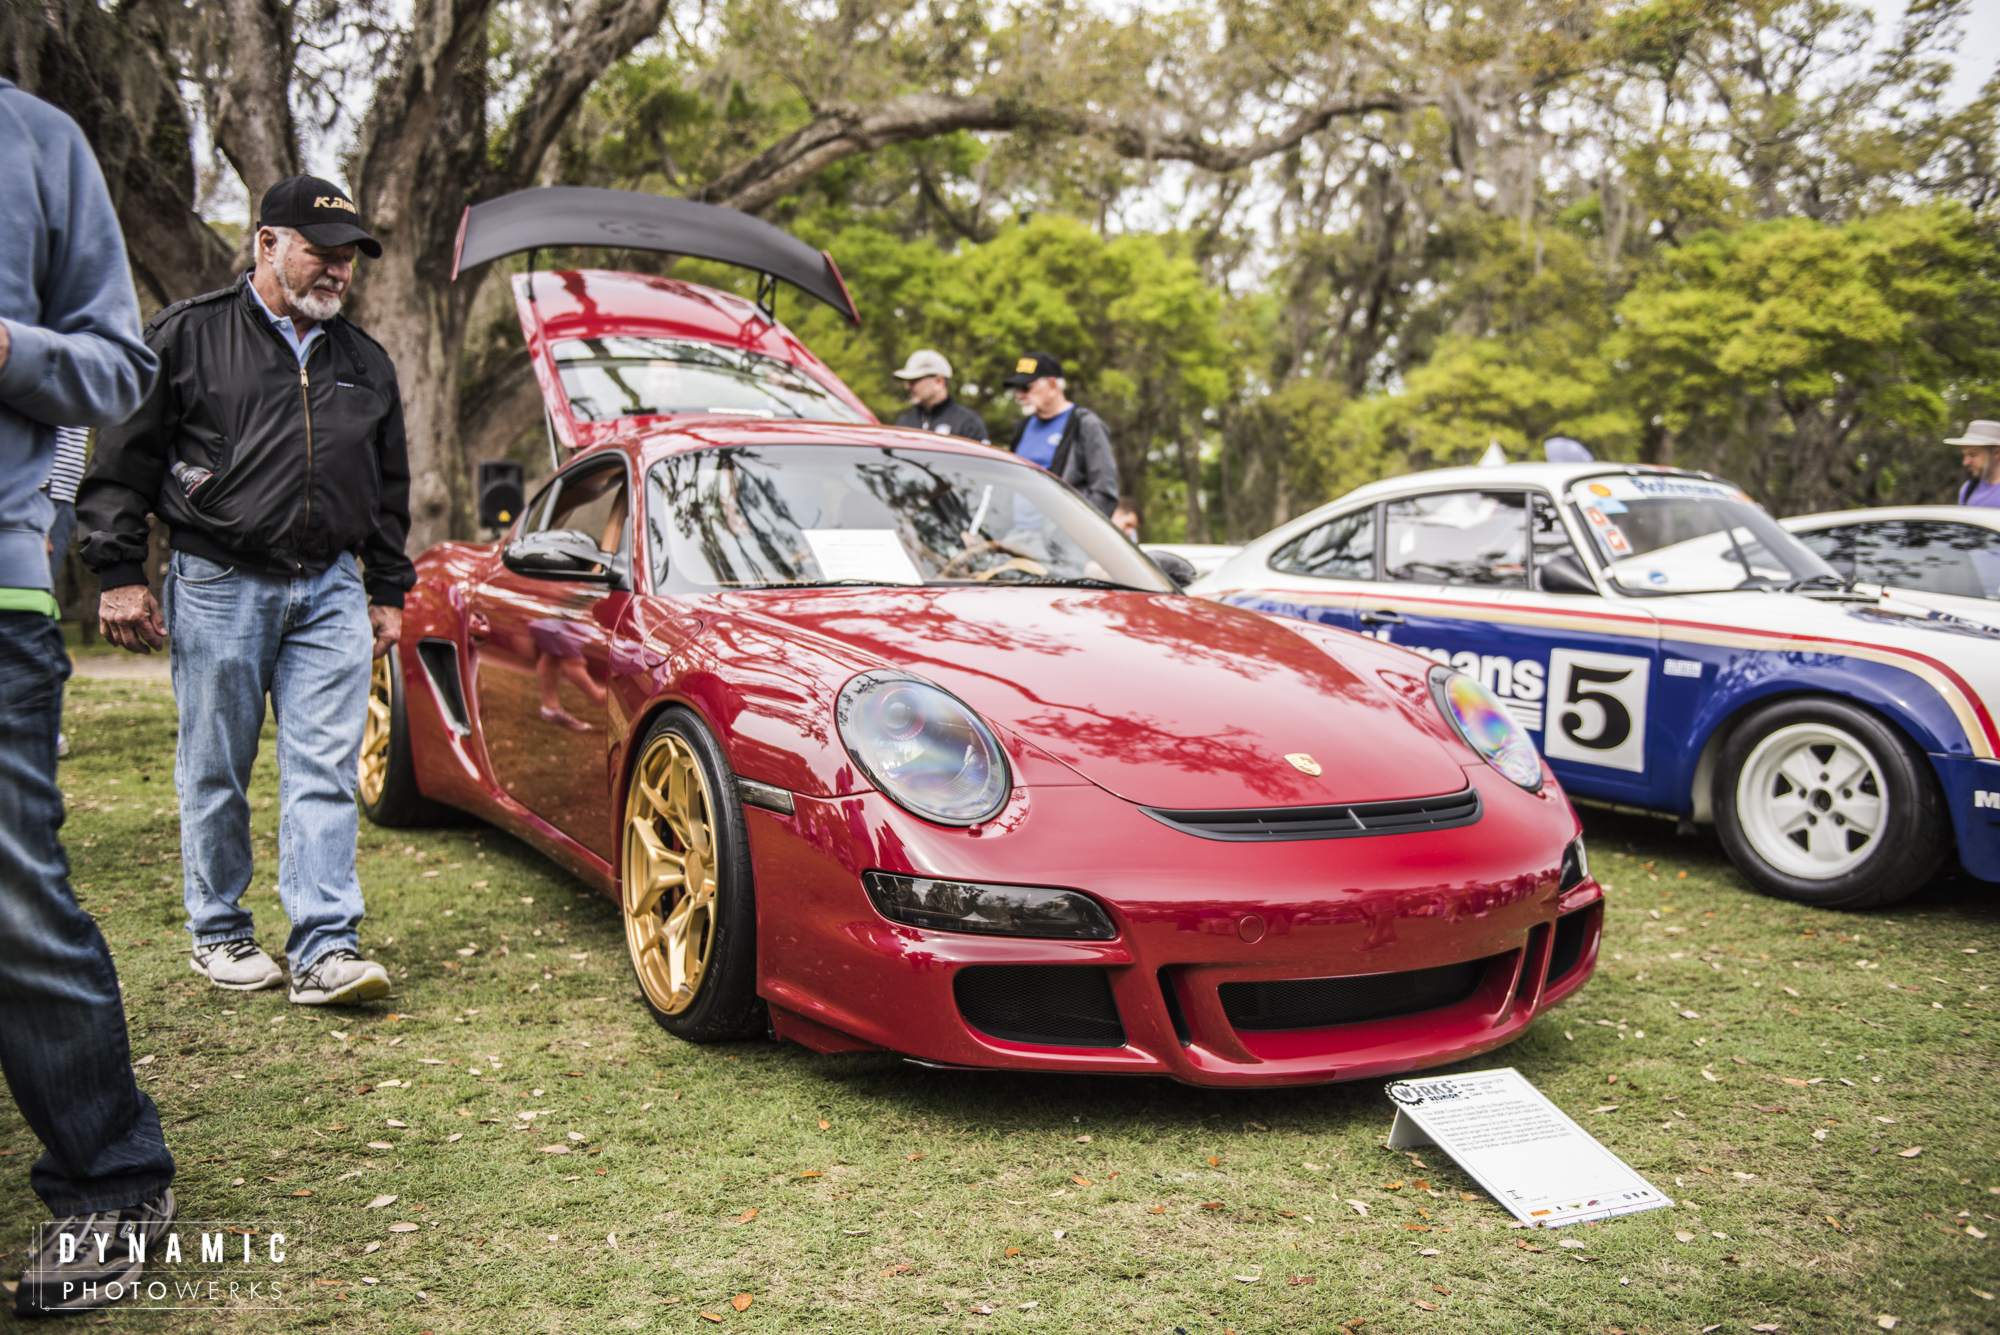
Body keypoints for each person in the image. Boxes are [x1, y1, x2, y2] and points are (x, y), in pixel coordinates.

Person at [78, 174, 414, 1007]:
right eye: (320, 253)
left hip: (332, 585)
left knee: (324, 767)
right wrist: (117, 573)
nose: (337, 271)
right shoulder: (186, 335)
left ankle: (325, 948)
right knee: (217, 765)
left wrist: (387, 588)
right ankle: (220, 931)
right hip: (220, 578)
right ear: (266, 244)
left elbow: (387, 487)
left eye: (347, 259)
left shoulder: (365, 361)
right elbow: (123, 459)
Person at [1, 74, 179, 1317]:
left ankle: (111, 1175)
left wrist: (7, 348)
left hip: (1, 580)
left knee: (13, 893)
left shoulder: (39, 140)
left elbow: (118, 382)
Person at [1002, 351, 1119, 516]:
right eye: (1017, 389)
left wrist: (1071, 535)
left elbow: (1104, 494)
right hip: (1016, 536)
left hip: (1058, 539)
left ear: (1051, 386)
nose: (1020, 396)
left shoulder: (1085, 425)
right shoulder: (1022, 427)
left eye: (1026, 388)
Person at [892, 350, 989, 442]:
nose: (907, 386)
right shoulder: (903, 425)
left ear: (938, 382)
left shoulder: (967, 423)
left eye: (914, 380)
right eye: (908, 381)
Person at [1947, 420, 2000, 508]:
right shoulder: (1968, 489)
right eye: (1965, 455)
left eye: (1972, 454)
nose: (1965, 462)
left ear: (1997, 453)